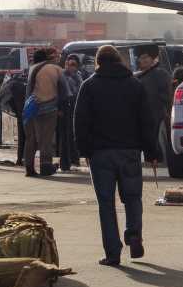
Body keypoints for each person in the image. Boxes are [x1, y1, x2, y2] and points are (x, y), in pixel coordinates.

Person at [72, 45, 158, 266]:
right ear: (119, 61)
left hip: (100, 153)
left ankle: (113, 252)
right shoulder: (135, 85)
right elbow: (146, 121)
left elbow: (80, 121)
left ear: (98, 62)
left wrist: (84, 150)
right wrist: (151, 151)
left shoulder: (89, 86)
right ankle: (134, 233)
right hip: (130, 151)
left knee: (106, 203)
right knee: (133, 198)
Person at [23, 48, 64, 177]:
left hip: (30, 107)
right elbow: (65, 90)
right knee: (46, 138)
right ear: (48, 57)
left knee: (31, 139)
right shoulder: (55, 69)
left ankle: (29, 168)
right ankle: (45, 166)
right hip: (49, 107)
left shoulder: (31, 69)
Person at [134, 45, 172, 171]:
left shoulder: (162, 74)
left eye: (146, 58)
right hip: (141, 114)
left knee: (157, 138)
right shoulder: (136, 76)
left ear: (152, 59)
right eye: (141, 58)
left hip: (157, 113)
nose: (143, 60)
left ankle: (157, 159)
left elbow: (167, 95)